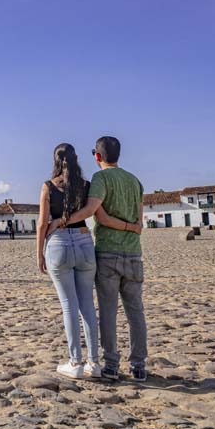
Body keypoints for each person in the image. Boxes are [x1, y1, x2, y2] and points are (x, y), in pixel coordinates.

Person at [38, 143, 140, 380]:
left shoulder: (48, 186)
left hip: (59, 244)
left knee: (68, 305)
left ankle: (75, 361)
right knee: (87, 305)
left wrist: (39, 253)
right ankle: (94, 362)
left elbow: (43, 223)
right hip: (85, 243)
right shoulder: (86, 185)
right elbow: (96, 214)